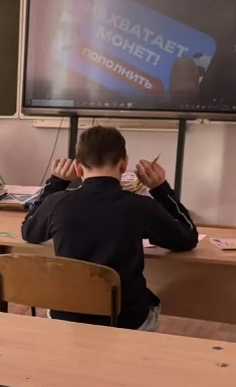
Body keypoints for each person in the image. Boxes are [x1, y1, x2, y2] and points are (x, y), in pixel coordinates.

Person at [21, 125, 197, 330]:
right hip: (126, 321)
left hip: (66, 317)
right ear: (124, 164)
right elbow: (188, 237)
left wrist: (56, 182)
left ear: (78, 168)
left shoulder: (57, 202)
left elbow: (28, 231)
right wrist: (161, 189)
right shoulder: (140, 206)